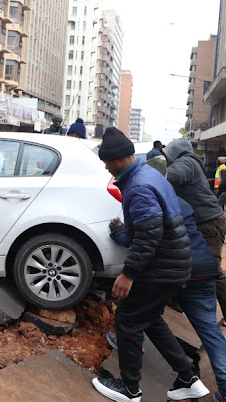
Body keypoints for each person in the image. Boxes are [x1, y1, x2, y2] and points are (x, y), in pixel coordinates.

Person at [107, 157, 226, 402]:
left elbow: (148, 238)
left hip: (177, 271)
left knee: (135, 313)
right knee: (209, 331)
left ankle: (131, 384)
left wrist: (118, 232)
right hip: (203, 269)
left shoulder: (148, 198)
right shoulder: (180, 202)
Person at [91, 127, 208, 402]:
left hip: (159, 267)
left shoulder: (139, 186)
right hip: (171, 263)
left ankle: (130, 389)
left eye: (106, 162)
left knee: (128, 320)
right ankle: (188, 378)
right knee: (150, 319)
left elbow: (148, 235)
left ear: (119, 158)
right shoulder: (148, 175)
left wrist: (128, 274)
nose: (106, 167)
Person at [163, 139, 226, 351]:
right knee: (180, 260)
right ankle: (176, 299)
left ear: (175, 153)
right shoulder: (192, 162)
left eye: (167, 156)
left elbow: (171, 176)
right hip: (202, 223)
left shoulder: (186, 162)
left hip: (208, 224)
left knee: (213, 273)